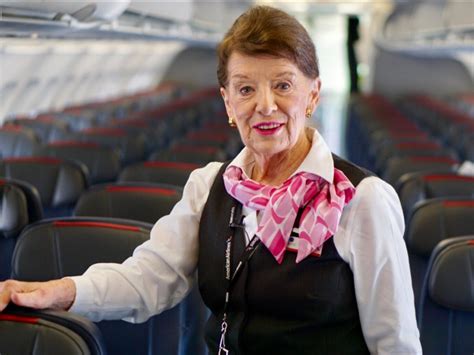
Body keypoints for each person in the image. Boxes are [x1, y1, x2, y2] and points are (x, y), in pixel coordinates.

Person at [0, 5, 421, 354]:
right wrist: (55, 291)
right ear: (227, 102)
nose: (265, 105)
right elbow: (149, 279)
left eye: (283, 85)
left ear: (312, 95)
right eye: (245, 89)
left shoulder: (362, 200)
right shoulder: (209, 187)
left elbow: (395, 343)